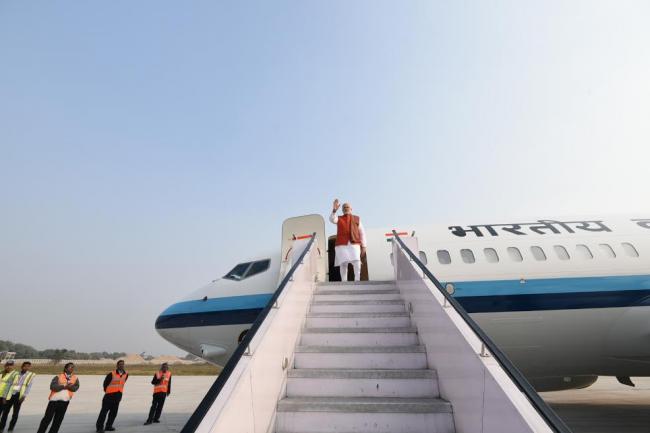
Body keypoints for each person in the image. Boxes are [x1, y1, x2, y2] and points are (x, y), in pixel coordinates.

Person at [329, 199, 367, 281]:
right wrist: (334, 210)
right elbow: (332, 219)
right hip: (341, 245)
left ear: (351, 209)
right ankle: (344, 281)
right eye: (344, 207)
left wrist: (364, 246)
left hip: (354, 244)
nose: (346, 208)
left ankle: (357, 280)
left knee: (357, 262)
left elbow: (362, 233)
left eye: (347, 207)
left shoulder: (357, 219)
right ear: (342, 210)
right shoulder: (339, 218)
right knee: (343, 263)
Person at [37, 362, 79, 433]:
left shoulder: (75, 378)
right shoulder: (58, 376)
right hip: (54, 401)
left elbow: (75, 388)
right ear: (65, 368)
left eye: (73, 367)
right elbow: (53, 387)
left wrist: (69, 387)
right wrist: (64, 386)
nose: (72, 368)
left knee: (58, 421)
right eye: (70, 367)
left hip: (64, 402)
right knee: (47, 419)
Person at [0, 361, 35, 432]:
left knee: (15, 413)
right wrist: (5, 396)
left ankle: (11, 428)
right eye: (25, 366)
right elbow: (9, 384)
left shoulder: (29, 375)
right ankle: (1, 427)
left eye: (28, 366)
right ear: (22, 366)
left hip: (19, 395)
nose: (26, 368)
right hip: (10, 394)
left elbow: (28, 386)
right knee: (5, 412)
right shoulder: (15, 373)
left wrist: (24, 396)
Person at [96, 360, 128, 433]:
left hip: (118, 396)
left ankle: (109, 426)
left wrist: (119, 393)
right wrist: (107, 391)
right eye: (120, 364)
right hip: (109, 396)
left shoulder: (126, 374)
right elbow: (105, 384)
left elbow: (122, 383)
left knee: (113, 413)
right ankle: (99, 428)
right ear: (117, 365)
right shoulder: (111, 374)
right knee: (103, 412)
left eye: (122, 364)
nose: (121, 366)